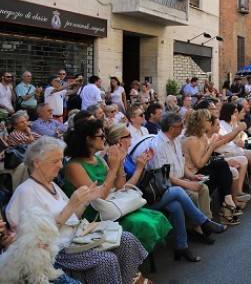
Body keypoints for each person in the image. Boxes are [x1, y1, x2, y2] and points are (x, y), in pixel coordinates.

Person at [6, 137, 148, 284]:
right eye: (55, 161)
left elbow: (72, 218)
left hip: (77, 239)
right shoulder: (26, 192)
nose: (61, 165)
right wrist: (71, 205)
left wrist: (85, 201)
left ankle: (125, 281)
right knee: (107, 260)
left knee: (127, 240)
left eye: (61, 160)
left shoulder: (52, 186)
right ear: (37, 163)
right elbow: (37, 241)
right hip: (59, 252)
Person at [63, 120, 171, 252]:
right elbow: (97, 197)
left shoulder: (98, 159)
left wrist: (119, 162)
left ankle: (136, 259)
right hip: (94, 214)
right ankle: (134, 263)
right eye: (101, 136)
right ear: (88, 140)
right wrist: (114, 168)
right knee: (144, 223)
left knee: (155, 216)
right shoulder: (73, 166)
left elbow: (120, 186)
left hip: (112, 205)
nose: (105, 139)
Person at [147, 113, 227, 252]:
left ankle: (199, 230)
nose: (183, 128)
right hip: (166, 187)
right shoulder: (158, 145)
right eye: (180, 126)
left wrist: (191, 177)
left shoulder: (176, 140)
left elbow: (181, 164)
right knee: (192, 194)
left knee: (202, 188)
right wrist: (188, 184)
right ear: (172, 128)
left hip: (178, 181)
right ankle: (202, 225)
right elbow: (164, 178)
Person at [182, 109, 245, 225]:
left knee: (222, 164)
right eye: (208, 120)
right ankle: (227, 206)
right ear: (200, 122)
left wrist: (236, 131)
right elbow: (199, 164)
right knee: (222, 167)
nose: (210, 122)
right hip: (192, 175)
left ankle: (227, 201)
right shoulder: (192, 140)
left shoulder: (203, 137)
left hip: (201, 171)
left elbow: (207, 157)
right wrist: (211, 147)